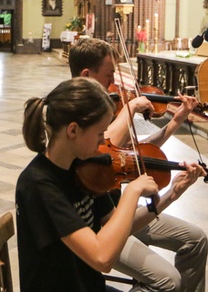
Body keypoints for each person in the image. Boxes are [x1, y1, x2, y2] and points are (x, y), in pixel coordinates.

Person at [68, 38, 208, 292]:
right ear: (87, 75)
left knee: (196, 239)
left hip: (120, 209)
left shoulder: (107, 109)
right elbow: (105, 147)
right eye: (109, 75)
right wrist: (131, 107)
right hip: (100, 225)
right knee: (167, 281)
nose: (114, 84)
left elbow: (137, 153)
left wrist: (176, 120)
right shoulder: (75, 117)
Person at [16, 77, 161, 292]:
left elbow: (117, 224)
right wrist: (132, 191)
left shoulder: (83, 169)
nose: (104, 141)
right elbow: (102, 259)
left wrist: (172, 194)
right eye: (100, 132)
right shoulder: (38, 184)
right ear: (73, 130)